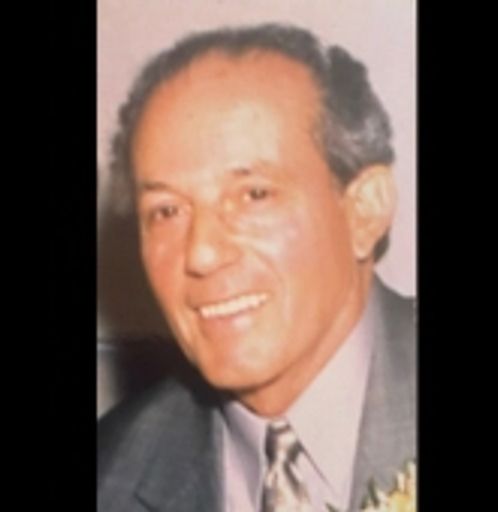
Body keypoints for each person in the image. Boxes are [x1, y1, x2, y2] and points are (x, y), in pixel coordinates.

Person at [98, 23, 416, 512]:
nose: (201, 253)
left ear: (364, 211)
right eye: (167, 211)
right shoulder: (114, 473)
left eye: (254, 195)